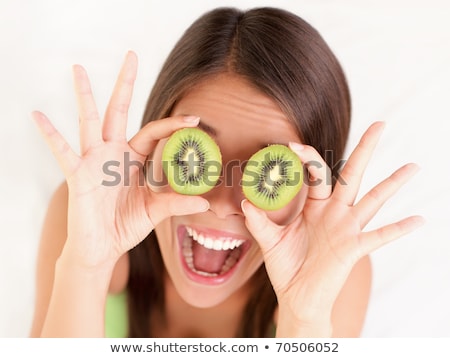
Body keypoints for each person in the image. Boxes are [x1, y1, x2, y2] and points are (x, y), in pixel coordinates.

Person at [29, 7, 423, 338]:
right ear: (153, 145)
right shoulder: (84, 220)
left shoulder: (339, 274)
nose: (219, 203)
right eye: (195, 159)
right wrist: (87, 266)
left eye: (270, 169)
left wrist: (305, 318)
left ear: (314, 190)